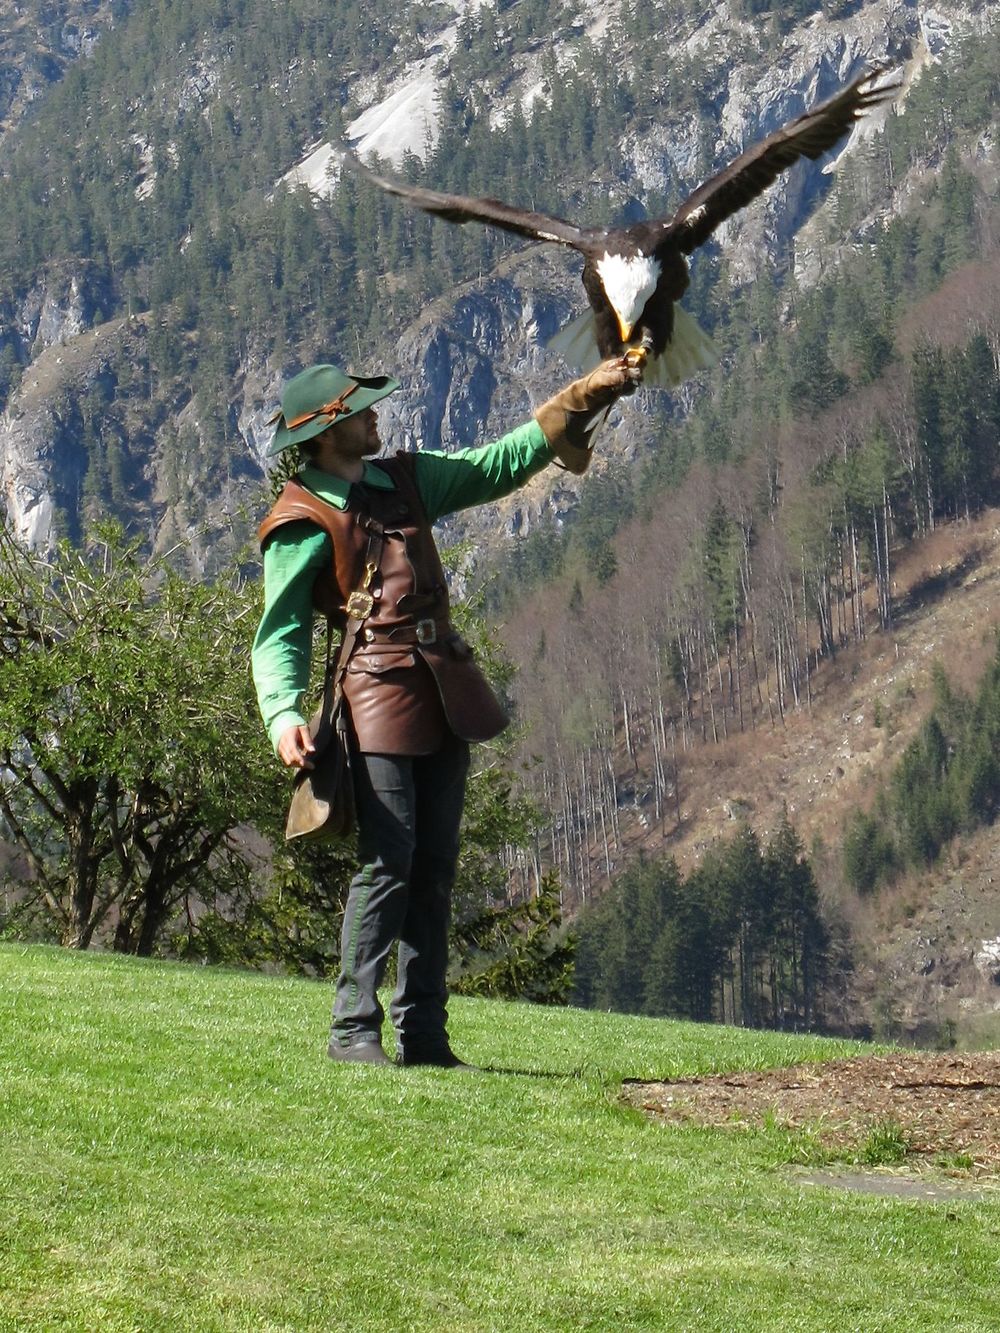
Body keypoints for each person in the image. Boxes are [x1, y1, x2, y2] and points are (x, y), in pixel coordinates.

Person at [252, 355, 640, 1067]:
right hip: (372, 696)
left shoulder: (404, 478)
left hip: (443, 686)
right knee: (387, 863)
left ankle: (425, 1036)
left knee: (434, 867)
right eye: (361, 410)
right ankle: (353, 1029)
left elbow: (497, 465)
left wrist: (583, 394)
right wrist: (283, 715)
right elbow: (280, 633)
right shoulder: (301, 518)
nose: (377, 415)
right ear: (331, 429)